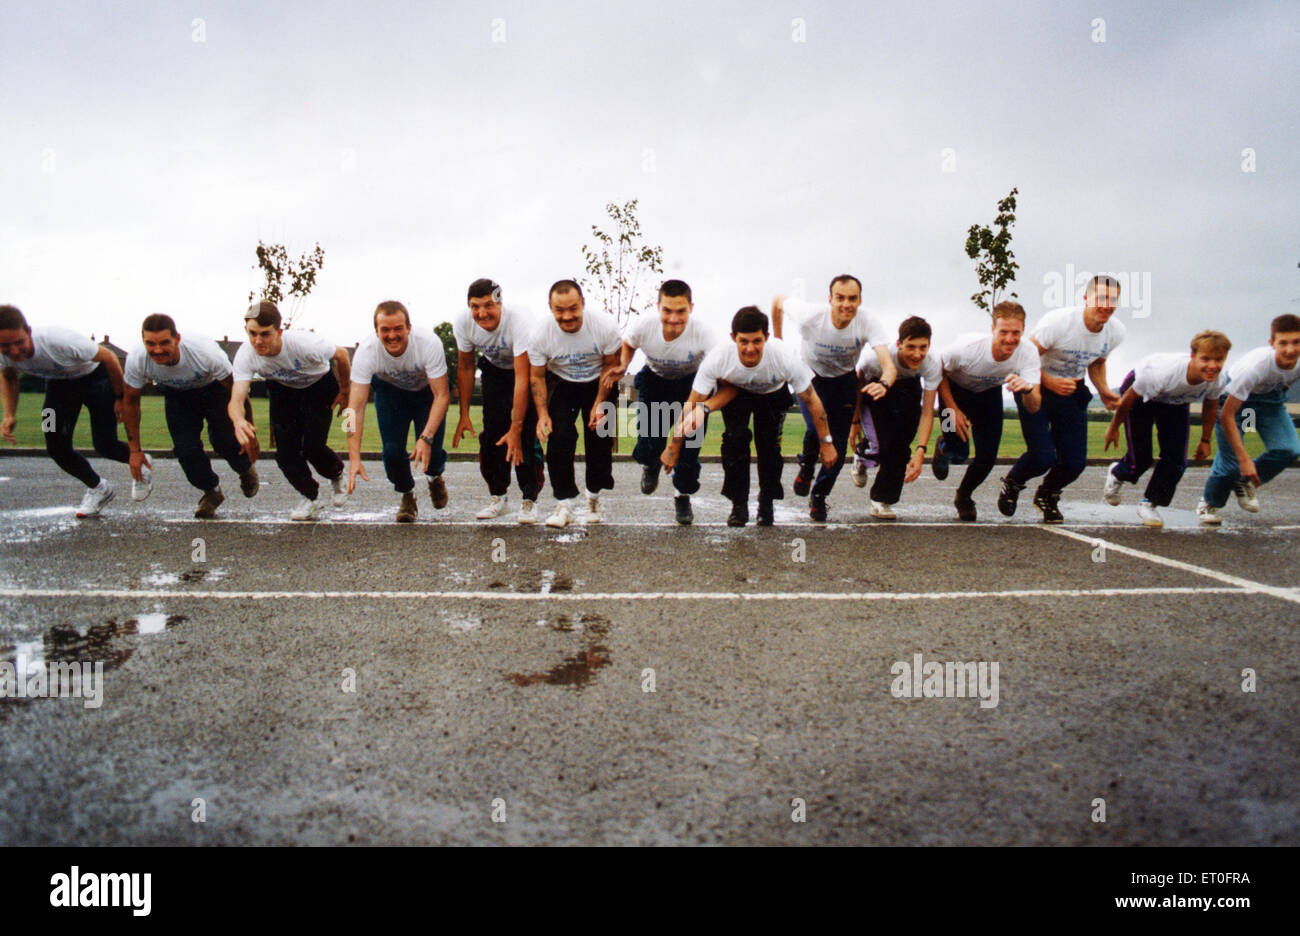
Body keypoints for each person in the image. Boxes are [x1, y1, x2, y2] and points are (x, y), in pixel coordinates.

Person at [686, 306, 836, 526]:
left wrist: (826, 442)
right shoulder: (718, 357)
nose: (750, 349)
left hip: (772, 395)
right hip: (736, 393)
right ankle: (739, 505)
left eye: (757, 341)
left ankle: (766, 501)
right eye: (743, 341)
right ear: (732, 338)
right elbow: (693, 402)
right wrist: (675, 445)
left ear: (766, 337)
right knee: (734, 442)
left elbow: (813, 401)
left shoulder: (784, 357)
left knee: (769, 448)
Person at [998, 276, 1125, 523]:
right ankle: (1014, 482)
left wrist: (1104, 389)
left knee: (1075, 462)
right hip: (1035, 385)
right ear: (1086, 299)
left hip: (1071, 390)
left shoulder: (1115, 331)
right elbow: (1024, 359)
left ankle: (1047, 494)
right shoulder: (1059, 323)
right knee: (1043, 456)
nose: (1106, 305)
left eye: (1112, 300)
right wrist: (1049, 382)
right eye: (1100, 298)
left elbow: (1097, 361)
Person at [772, 276, 894, 508]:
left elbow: (888, 365)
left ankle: (819, 497)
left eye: (852, 298)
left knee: (837, 447)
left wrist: (885, 383)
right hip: (811, 377)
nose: (846, 304)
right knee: (816, 429)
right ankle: (807, 465)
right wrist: (778, 340)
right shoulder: (809, 315)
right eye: (840, 298)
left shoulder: (867, 321)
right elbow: (778, 301)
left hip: (844, 381)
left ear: (859, 300)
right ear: (830, 299)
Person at [601, 279, 717, 525]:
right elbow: (629, 344)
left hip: (692, 386)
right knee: (649, 443)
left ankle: (682, 495)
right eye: (667, 311)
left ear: (691, 308)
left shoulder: (705, 335)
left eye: (680, 311)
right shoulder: (644, 326)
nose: (673, 319)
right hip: (655, 382)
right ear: (658, 307)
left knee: (688, 448)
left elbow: (713, 374)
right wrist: (623, 364)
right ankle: (650, 465)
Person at [121, 314, 260, 519]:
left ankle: (245, 469)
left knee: (225, 440)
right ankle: (211, 491)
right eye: (150, 344)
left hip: (214, 390)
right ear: (143, 341)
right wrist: (134, 450)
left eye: (164, 343)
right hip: (178, 396)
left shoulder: (205, 353)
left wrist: (248, 430)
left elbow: (238, 392)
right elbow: (131, 402)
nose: (157, 350)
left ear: (177, 339)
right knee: (185, 450)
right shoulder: (137, 359)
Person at [0, 305, 132, 517]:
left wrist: (120, 398)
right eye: (5, 346)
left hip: (95, 379)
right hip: (59, 386)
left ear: (29, 332)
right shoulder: (3, 355)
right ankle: (99, 487)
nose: (14, 352)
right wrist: (9, 414)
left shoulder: (58, 340)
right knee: (54, 445)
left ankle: (139, 460)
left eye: (19, 342)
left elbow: (109, 357)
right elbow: (8, 377)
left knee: (104, 444)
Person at [228, 301, 352, 521]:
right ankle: (311, 497)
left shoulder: (304, 343)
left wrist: (344, 391)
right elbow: (236, 398)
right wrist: (238, 421)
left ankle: (336, 474)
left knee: (313, 447)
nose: (258, 341)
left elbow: (341, 355)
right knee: (285, 454)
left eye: (265, 334)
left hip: (318, 386)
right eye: (252, 333)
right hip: (283, 391)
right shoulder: (246, 355)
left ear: (279, 332)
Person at [1102, 331, 1230, 527]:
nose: (1212, 366)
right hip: (1141, 394)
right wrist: (1113, 427)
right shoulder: (1161, 372)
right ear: (1193, 356)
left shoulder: (1218, 379)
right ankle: (1118, 473)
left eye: (1219, 360)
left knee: (1177, 460)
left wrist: (1205, 440)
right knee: (1141, 458)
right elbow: (1128, 398)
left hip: (1175, 401)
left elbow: (1211, 405)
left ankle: (1149, 503)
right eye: (1205, 359)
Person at [931, 302, 1042, 521]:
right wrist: (953, 409)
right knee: (959, 452)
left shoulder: (1028, 353)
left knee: (987, 457)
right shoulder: (967, 348)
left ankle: (963, 496)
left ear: (1023, 330)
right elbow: (937, 370)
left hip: (988, 394)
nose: (1010, 339)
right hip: (953, 392)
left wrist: (1028, 389)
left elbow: (1034, 405)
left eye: (1016, 333)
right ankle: (944, 446)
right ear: (992, 329)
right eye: (1004, 332)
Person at [345, 301, 451, 523]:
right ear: (376, 331)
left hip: (426, 394)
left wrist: (425, 437)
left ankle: (435, 476)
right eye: (385, 330)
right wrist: (354, 457)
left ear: (408, 328)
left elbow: (442, 395)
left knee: (430, 452)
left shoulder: (428, 343)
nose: (392, 335)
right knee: (392, 452)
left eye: (397, 329)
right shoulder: (366, 352)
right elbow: (354, 409)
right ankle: (406, 494)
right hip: (391, 393)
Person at [528, 280, 621, 528]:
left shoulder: (604, 326)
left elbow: (612, 365)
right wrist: (542, 413)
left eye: (573, 308)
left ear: (583, 304)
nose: (567, 316)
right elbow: (536, 376)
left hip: (599, 381)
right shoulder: (539, 334)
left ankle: (594, 497)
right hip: (562, 383)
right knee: (559, 439)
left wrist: (600, 402)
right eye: (559, 310)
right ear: (550, 308)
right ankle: (564, 503)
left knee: (600, 440)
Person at [451, 279, 544, 523]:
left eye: (488, 305)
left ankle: (529, 499)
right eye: (475, 306)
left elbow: (522, 378)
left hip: (526, 370)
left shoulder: (521, 321)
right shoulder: (462, 322)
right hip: (494, 370)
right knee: (492, 434)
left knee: (523, 436)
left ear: (501, 303)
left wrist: (515, 426)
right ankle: (498, 496)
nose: (482, 313)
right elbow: (466, 366)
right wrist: (463, 414)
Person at [1197, 314, 1300, 525]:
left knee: (1289, 449)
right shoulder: (1256, 367)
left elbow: (1284, 381)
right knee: (1232, 463)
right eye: (1283, 343)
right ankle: (1209, 502)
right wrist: (1244, 459)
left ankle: (1244, 482)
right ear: (1272, 344)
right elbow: (1227, 414)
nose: (1290, 350)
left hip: (1269, 403)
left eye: (1296, 342)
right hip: (1235, 405)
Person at [848, 316, 940, 520]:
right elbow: (856, 388)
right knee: (882, 445)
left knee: (900, 449)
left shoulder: (932, 364)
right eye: (911, 347)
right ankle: (863, 455)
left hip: (908, 391)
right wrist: (854, 422)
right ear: (899, 344)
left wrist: (921, 450)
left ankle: (882, 499)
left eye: (923, 347)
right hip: (873, 390)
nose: (917, 354)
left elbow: (927, 411)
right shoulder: (874, 358)